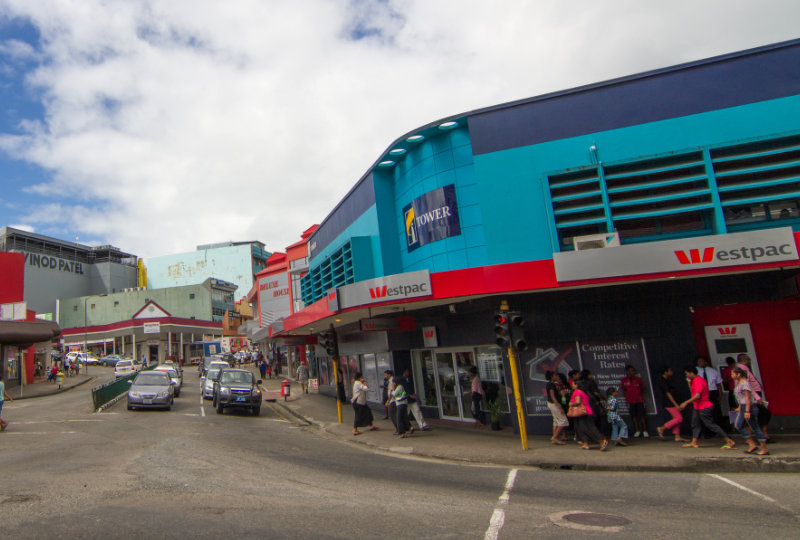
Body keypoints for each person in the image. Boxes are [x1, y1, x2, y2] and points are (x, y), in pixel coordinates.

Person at [678, 365, 736, 450]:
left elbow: (697, 395)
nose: (686, 375)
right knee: (695, 423)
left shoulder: (698, 381)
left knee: (710, 424)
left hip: (704, 406)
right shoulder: (694, 381)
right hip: (697, 406)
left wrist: (686, 402)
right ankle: (694, 442)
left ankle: (729, 440)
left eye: (687, 374)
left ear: (691, 373)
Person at [732, 367, 769, 455]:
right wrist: (740, 407)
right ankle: (751, 444)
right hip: (744, 406)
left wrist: (747, 411)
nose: (732, 375)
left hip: (749, 407)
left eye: (733, 374)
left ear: (738, 374)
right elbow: (741, 398)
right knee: (738, 425)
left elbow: (748, 398)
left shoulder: (744, 383)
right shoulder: (739, 383)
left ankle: (764, 448)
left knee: (755, 427)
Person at [736, 353, 772, 443]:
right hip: (751, 397)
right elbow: (747, 387)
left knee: (753, 419)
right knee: (761, 415)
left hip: (750, 397)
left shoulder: (743, 369)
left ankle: (753, 440)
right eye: (748, 360)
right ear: (745, 360)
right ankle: (759, 438)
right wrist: (757, 397)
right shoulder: (742, 370)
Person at [568, 379, 609, 451]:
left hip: (583, 413)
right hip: (587, 412)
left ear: (577, 385)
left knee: (589, 428)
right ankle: (585, 443)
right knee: (581, 428)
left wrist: (571, 404)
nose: (572, 385)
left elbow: (577, 402)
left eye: (573, 384)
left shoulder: (577, 392)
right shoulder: (585, 392)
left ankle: (602, 441)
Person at [655, 367, 688, 442]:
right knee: (679, 418)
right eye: (670, 370)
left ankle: (677, 436)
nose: (671, 372)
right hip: (669, 403)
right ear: (665, 372)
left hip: (670, 402)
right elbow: (668, 394)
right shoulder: (662, 381)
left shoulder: (666, 380)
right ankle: (662, 428)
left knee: (675, 418)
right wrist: (676, 404)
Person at [696, 356, 724, 432]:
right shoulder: (696, 371)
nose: (701, 363)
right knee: (704, 412)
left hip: (712, 392)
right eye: (699, 361)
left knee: (715, 411)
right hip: (702, 393)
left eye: (702, 361)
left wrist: (720, 394)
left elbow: (719, 384)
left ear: (706, 362)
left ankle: (719, 429)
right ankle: (707, 431)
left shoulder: (712, 371)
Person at [620, 365, 648, 437]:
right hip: (630, 401)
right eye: (631, 371)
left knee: (642, 416)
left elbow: (642, 388)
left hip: (639, 400)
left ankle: (645, 431)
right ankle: (637, 430)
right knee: (634, 416)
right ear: (627, 371)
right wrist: (628, 399)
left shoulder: (638, 379)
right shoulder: (623, 380)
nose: (633, 372)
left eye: (633, 371)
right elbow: (624, 390)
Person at [545, 371, 568, 445]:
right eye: (555, 376)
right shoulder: (551, 385)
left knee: (556, 420)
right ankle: (555, 437)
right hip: (554, 404)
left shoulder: (553, 385)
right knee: (563, 420)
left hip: (552, 403)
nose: (557, 377)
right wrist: (559, 406)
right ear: (552, 377)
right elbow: (553, 397)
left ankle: (554, 437)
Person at [720, 356, 737, 426]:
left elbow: (725, 381)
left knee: (732, 407)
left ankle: (733, 425)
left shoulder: (725, 370)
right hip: (741, 389)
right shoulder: (738, 369)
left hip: (732, 389)